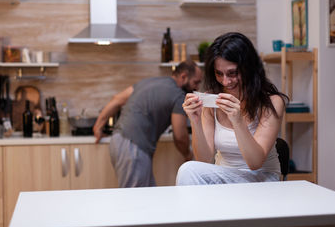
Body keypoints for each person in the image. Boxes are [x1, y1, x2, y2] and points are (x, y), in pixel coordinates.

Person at [177, 32, 288, 186]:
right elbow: (204, 160)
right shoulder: (212, 101)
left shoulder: (272, 102)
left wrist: (237, 121)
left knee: (188, 170)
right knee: (188, 169)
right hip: (224, 179)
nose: (226, 81)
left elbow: (255, 163)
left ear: (248, 68)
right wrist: (195, 121)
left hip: (261, 179)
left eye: (232, 73)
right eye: (219, 74)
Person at [93, 60, 203, 188]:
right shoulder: (179, 96)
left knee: (148, 196)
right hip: (133, 148)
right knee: (135, 201)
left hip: (118, 141)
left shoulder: (148, 82)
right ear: (183, 76)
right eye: (196, 82)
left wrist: (98, 126)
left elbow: (117, 99)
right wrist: (188, 155)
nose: (197, 88)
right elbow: (179, 136)